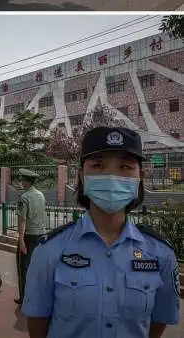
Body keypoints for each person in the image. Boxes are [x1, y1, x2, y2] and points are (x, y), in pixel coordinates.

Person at [22, 127, 180, 337]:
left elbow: (158, 321)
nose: (112, 177)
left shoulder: (161, 254)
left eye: (125, 166)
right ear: (81, 175)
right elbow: (37, 322)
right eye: (98, 165)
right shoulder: (49, 251)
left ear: (139, 176)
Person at [14, 167, 47, 304]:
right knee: (37, 267)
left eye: (22, 179)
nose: (21, 181)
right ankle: (37, 295)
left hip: (29, 235)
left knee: (23, 267)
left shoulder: (24, 197)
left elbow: (23, 220)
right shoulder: (40, 195)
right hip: (40, 234)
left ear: (27, 181)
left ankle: (24, 297)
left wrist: (21, 240)